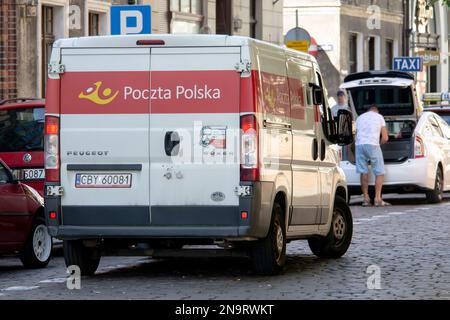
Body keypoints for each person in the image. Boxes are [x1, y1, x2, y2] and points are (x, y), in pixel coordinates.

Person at [355, 104, 389, 207]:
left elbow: (354, 134)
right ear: (376, 111)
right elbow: (385, 138)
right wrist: (379, 144)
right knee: (379, 172)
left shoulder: (359, 117)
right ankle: (377, 198)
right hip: (373, 144)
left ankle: (366, 198)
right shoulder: (379, 117)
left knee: (363, 171)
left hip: (359, 145)